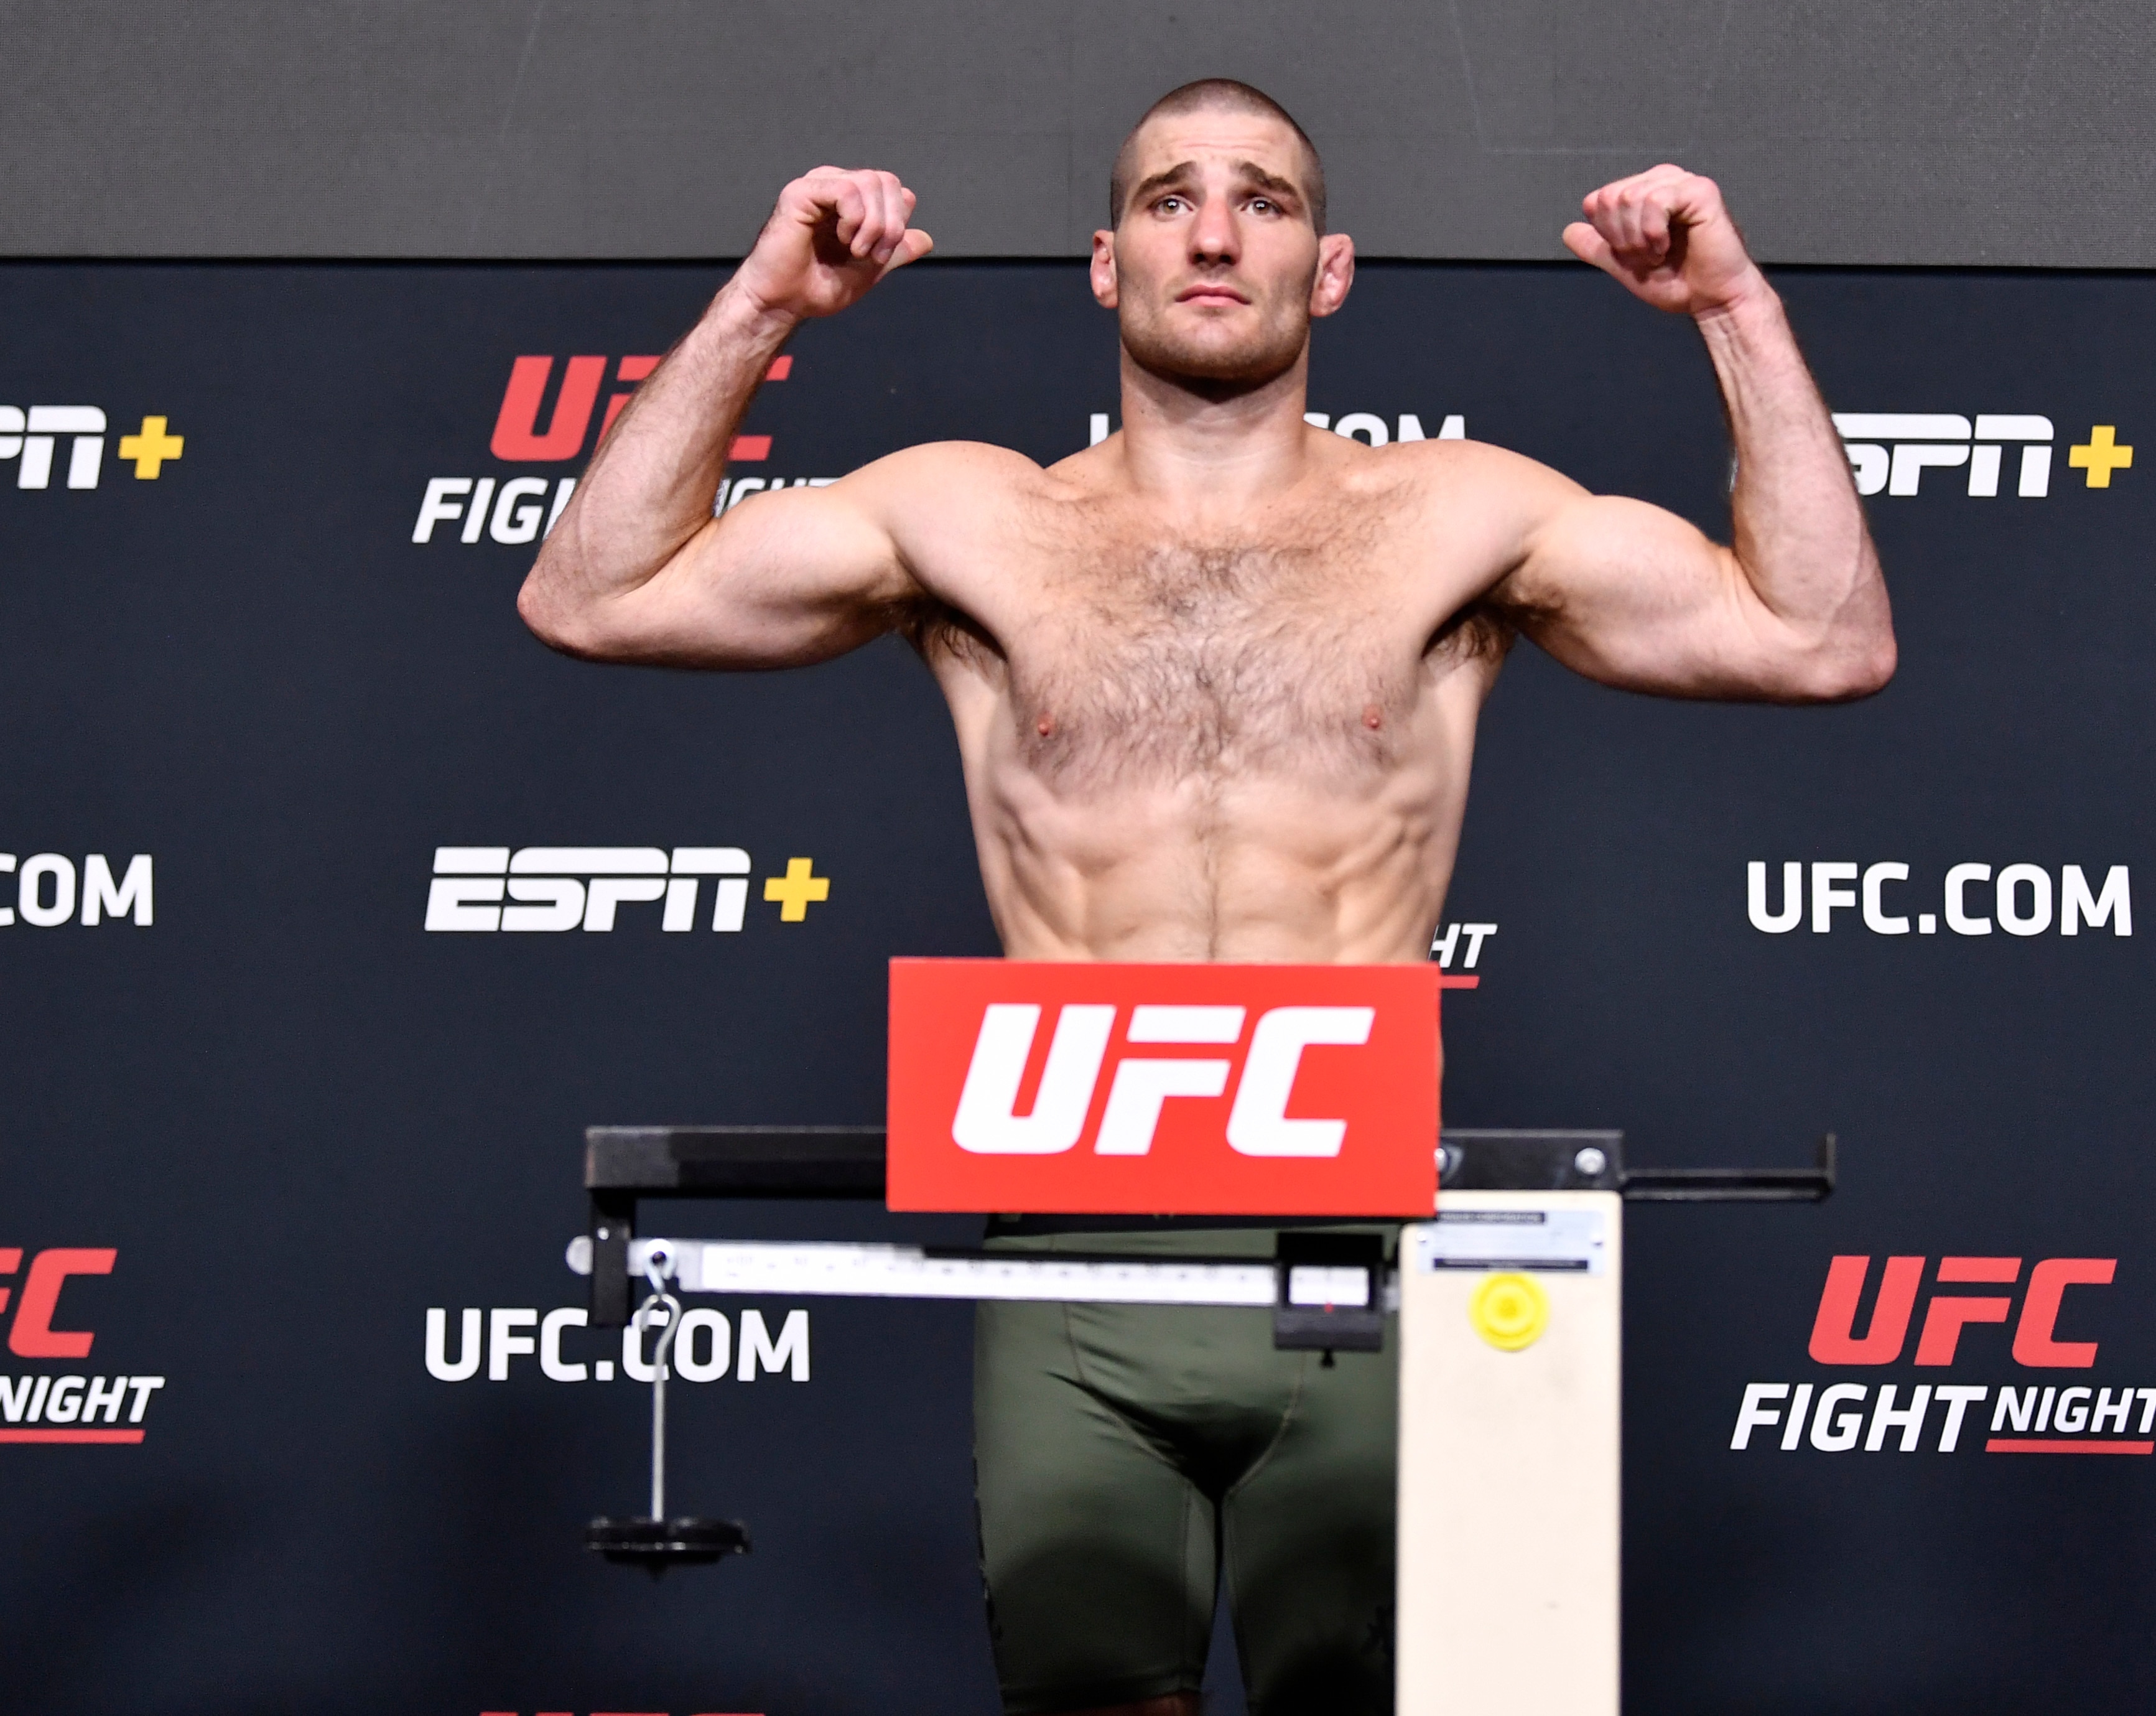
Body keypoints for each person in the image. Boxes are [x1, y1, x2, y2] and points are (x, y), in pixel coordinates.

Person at [518, 76, 1892, 1716]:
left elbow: (1823, 639)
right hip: (1069, 1272)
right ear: (1106, 264)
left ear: (1331, 267)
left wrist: (1730, 307)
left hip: (1365, 1253)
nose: (1217, 232)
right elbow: (588, 594)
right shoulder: (971, 517)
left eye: (1265, 199)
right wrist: (765, 305)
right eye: (1171, 199)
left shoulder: (1457, 517)